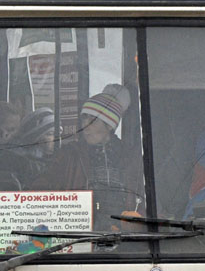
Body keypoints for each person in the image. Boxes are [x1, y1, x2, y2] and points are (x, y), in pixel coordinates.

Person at [35, 85, 143, 227]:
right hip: (82, 232)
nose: (85, 125)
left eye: (92, 120)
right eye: (83, 119)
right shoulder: (69, 155)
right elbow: (40, 191)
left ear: (109, 125)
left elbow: (144, 199)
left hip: (122, 234)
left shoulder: (130, 157)